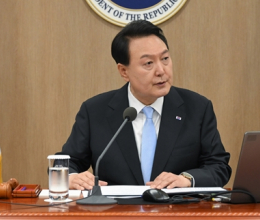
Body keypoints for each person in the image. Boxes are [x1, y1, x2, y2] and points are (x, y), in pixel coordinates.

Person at [60, 20, 231, 190]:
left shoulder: (197, 108)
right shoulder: (95, 111)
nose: (161, 70)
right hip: (116, 213)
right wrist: (72, 178)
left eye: (165, 59)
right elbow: (64, 164)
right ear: (124, 71)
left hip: (175, 213)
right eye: (148, 63)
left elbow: (219, 166)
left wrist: (186, 179)